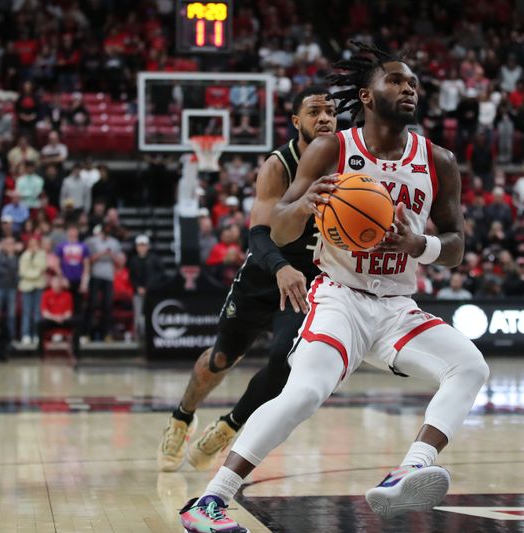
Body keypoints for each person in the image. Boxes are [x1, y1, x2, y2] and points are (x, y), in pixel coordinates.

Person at [179, 43, 489, 533]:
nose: (408, 88)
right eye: (396, 81)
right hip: (339, 297)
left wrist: (418, 242)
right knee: (303, 392)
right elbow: (275, 229)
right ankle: (209, 501)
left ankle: (410, 469)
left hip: (396, 305)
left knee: (470, 365)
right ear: (366, 95)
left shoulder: (439, 160)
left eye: (413, 83)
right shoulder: (333, 149)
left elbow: (455, 246)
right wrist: (304, 207)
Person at [159, 87, 338, 473]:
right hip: (265, 272)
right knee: (221, 358)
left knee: (285, 362)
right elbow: (257, 235)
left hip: (311, 283)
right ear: (296, 121)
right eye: (314, 111)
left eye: (330, 111)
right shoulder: (279, 165)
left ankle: (229, 426)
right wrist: (279, 268)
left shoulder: (349, 161)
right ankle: (181, 416)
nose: (324, 117)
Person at [84, 225, 122, 341]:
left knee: (107, 306)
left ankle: (107, 333)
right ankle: (88, 333)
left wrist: (110, 255)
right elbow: (88, 259)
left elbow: (120, 262)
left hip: (108, 277)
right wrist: (102, 254)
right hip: (95, 276)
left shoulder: (114, 243)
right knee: (92, 304)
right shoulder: (92, 241)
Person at [127, 235, 164, 341]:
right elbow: (131, 277)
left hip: (151, 293)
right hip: (138, 293)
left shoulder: (154, 259)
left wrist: (149, 287)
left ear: (148, 246)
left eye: (143, 245)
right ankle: (139, 337)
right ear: (136, 247)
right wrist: (138, 287)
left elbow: (160, 274)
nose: (142, 248)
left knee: (151, 314)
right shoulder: (133, 261)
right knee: (138, 316)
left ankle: (151, 337)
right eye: (139, 245)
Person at [37, 275, 79, 358]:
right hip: (51, 320)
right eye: (55, 282)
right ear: (51, 284)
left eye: (58, 282)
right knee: (40, 324)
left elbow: (69, 312)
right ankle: (40, 352)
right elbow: (45, 312)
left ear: (61, 284)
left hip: (64, 320)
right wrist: (54, 318)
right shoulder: (46, 294)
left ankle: (76, 352)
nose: (57, 284)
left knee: (77, 322)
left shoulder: (67, 295)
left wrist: (62, 317)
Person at [18, 236, 47, 344]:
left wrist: (32, 273)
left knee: (37, 312)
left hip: (38, 286)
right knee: (26, 312)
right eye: (31, 243)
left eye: (35, 243)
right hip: (26, 287)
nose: (33, 245)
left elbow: (42, 267)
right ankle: (25, 334)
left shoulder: (42, 254)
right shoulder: (25, 255)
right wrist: (35, 274)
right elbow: (22, 271)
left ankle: (36, 334)